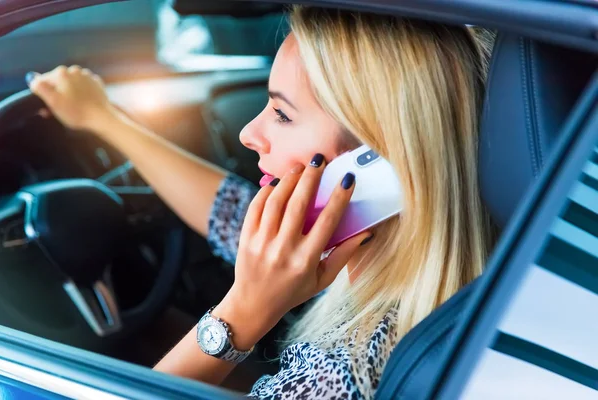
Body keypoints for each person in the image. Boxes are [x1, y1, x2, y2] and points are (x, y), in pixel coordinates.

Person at [29, 6, 494, 399]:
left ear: (380, 164)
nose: (249, 134)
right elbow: (231, 211)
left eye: (281, 114)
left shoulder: (342, 375)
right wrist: (104, 118)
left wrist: (243, 311)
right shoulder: (401, 272)